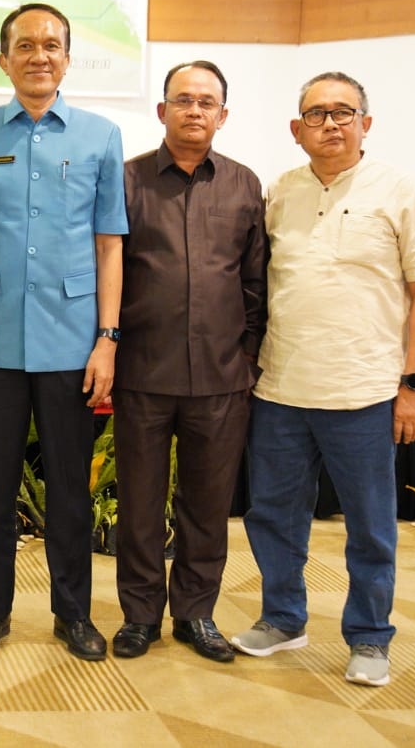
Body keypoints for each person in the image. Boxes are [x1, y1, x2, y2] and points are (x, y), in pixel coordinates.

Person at [231, 72, 415, 687]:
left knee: (371, 525)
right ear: (296, 129)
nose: (330, 123)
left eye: (343, 112)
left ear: (366, 124)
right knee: (272, 515)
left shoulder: (400, 190)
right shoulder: (279, 193)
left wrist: (414, 385)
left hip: (364, 391)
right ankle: (282, 618)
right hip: (279, 389)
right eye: (316, 113)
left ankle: (371, 638)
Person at [0, 3, 127, 661]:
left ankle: (73, 613)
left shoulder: (101, 136)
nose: (39, 55)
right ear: (4, 59)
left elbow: (110, 245)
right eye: (25, 45)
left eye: (53, 44)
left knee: (71, 492)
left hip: (73, 342)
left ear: (68, 58)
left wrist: (107, 336)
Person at [110, 61, 267, 663]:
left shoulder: (244, 185)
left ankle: (196, 613)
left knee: (207, 505)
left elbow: (255, 281)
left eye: (207, 102)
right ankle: (140, 616)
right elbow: (110, 272)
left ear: (222, 115)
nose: (194, 111)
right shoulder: (125, 181)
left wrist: (246, 357)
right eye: (183, 100)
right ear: (162, 111)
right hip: (143, 374)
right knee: (141, 504)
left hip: (223, 379)